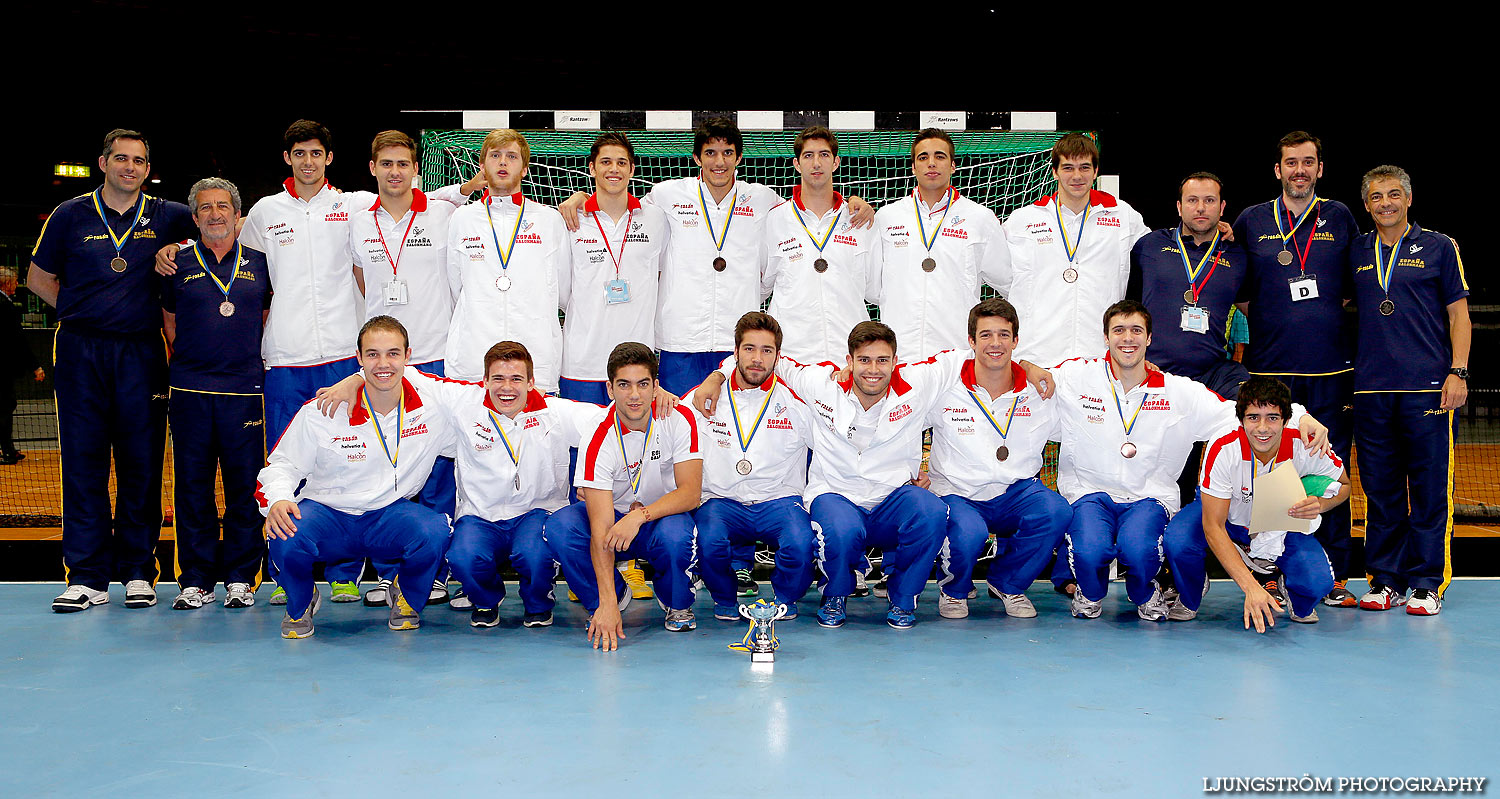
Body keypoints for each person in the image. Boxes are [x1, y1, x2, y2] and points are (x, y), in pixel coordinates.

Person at [694, 322, 1038, 629]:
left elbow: (987, 351)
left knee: (931, 510)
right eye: (864, 360)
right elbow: (760, 359)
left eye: (882, 360)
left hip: (892, 495)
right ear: (849, 361)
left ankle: (903, 598)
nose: (873, 369)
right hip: (836, 492)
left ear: (895, 362)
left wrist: (1030, 367)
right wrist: (717, 376)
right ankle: (835, 595)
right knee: (841, 529)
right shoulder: (821, 383)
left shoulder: (918, 384)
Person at [1048, 301, 1327, 621]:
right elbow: (1030, 382)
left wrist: (1301, 417)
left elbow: (1238, 415)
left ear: (1149, 338)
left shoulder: (1178, 392)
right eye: (1119, 331)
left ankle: (1145, 592)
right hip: (1088, 492)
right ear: (1106, 337)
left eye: (1137, 330)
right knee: (1089, 550)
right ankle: (1090, 591)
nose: (1128, 338)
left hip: (1147, 497)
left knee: (1138, 550)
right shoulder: (1076, 376)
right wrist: (1027, 367)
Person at [557, 118, 873, 395]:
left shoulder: (762, 200)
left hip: (738, 345)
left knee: (732, 436)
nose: (718, 161)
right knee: (680, 434)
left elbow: (807, 206)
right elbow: (619, 204)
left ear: (739, 157)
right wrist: (581, 198)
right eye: (709, 152)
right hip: (679, 343)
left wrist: (849, 204)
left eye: (727, 153)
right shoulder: (668, 195)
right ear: (697, 157)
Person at [315, 340, 617, 628]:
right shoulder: (464, 401)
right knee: (462, 556)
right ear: (484, 380)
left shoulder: (555, 412)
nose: (507, 388)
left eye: (516, 379)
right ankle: (486, 601)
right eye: (498, 378)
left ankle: (538, 603)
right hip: (480, 517)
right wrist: (355, 380)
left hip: (536, 513)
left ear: (531, 382)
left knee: (534, 553)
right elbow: (404, 372)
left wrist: (659, 399)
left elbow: (609, 419)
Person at [30, 129, 196, 612]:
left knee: (141, 463)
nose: (130, 167)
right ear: (102, 163)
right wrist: (82, 312)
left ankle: (139, 571)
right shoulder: (70, 214)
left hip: (142, 354)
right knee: (83, 462)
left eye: (139, 160)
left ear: (148, 168)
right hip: (81, 351)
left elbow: (224, 223)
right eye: (121, 158)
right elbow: (38, 278)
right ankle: (86, 576)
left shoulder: (169, 216)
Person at [999, 132, 1150, 598]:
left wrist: (1219, 234)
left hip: (1097, 365)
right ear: (1055, 170)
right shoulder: (1023, 221)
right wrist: (1016, 356)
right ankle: (1012, 570)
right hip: (1037, 364)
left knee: (1084, 466)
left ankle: (1072, 573)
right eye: (1068, 167)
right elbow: (997, 281)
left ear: (1095, 171)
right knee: (1020, 465)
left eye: (1085, 167)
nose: (1077, 175)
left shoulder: (1122, 217)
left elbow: (1166, 252)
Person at [257, 316, 454, 638]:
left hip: (389, 515)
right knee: (284, 530)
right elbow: (282, 465)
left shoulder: (431, 412)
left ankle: (406, 596)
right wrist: (279, 498)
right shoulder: (322, 410)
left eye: (393, 353)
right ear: (359, 359)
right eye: (373, 354)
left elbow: (479, 434)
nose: (383, 363)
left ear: (408, 356)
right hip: (328, 515)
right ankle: (302, 601)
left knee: (434, 530)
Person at [1230, 131, 1362, 608]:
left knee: (1330, 470)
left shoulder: (1341, 216)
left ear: (1320, 169)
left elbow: (1351, 287)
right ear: (1277, 170)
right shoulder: (1251, 220)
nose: (1299, 170)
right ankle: (1272, 570)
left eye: (1308, 162)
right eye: (1291, 162)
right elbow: (1241, 290)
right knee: (1273, 471)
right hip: (1271, 371)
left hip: (1330, 371)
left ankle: (1337, 570)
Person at [1349, 165, 1470, 616]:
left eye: (1394, 194)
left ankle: (1426, 582)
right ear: (1366, 204)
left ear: (1409, 199)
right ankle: (1384, 579)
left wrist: (1458, 372)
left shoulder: (1440, 247)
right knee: (1380, 491)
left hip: (1429, 390)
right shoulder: (1357, 250)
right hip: (1370, 391)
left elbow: (1459, 316)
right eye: (1377, 196)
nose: (1386, 203)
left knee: (1430, 489)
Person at [161, 179, 273, 611]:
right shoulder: (177, 263)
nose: (214, 214)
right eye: (205, 208)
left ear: (237, 214)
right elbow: (169, 323)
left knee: (245, 488)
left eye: (222, 206)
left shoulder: (261, 263)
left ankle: (242, 578)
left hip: (244, 391)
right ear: (194, 217)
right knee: (192, 489)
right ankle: (195, 580)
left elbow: (264, 317)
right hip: (189, 391)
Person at [546, 343, 703, 649]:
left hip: (661, 515)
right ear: (610, 389)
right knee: (560, 528)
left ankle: (675, 600)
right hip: (614, 519)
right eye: (624, 385)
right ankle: (611, 597)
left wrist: (639, 516)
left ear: (656, 387)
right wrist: (607, 602)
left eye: (643, 384)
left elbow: (690, 494)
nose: (634, 395)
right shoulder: (596, 435)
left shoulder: (680, 418)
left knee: (677, 535)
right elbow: (600, 529)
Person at [924, 299, 1071, 619]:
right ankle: (953, 589)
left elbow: (1083, 418)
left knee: (1055, 511)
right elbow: (904, 422)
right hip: (957, 491)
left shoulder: (1039, 390)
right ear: (971, 341)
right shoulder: (945, 386)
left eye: (1004, 335)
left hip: (1016, 492)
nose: (995, 344)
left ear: (1016, 341)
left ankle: (1008, 583)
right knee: (969, 532)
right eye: (986, 335)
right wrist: (910, 472)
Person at [1162, 376, 1347, 628]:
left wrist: (1321, 504)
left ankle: (1292, 590)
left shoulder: (1305, 444)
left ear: (1285, 420)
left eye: (1272, 417)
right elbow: (1212, 526)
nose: (1262, 428)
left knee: (1317, 583)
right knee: (1179, 539)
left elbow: (1345, 485)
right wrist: (1251, 588)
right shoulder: (1223, 446)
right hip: (1227, 517)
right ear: (1241, 420)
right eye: (1253, 418)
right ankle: (1190, 594)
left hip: (1280, 520)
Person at [1126, 172, 1251, 512]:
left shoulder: (1237, 257)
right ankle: (1158, 547)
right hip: (1157, 377)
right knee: (1160, 474)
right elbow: (1128, 306)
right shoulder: (1149, 247)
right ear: (1179, 206)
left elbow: (1255, 309)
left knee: (1255, 415)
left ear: (1222, 208)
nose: (1201, 208)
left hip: (1211, 376)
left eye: (1209, 201)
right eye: (1193, 200)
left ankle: (1241, 533)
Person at [689, 312, 817, 620]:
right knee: (708, 539)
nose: (757, 358)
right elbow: (668, 432)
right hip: (722, 501)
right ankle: (724, 598)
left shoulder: (796, 401)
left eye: (766, 350)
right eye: (749, 349)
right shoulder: (703, 398)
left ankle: (786, 596)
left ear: (777, 356)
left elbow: (835, 444)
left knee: (801, 542)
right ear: (734, 354)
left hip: (779, 501)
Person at [444, 129, 570, 391]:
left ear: (524, 169)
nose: (503, 162)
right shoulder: (462, 219)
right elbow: (455, 288)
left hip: (535, 356)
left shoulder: (548, 220)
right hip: (473, 358)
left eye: (512, 156)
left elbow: (564, 291)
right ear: (482, 165)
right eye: (495, 155)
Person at [868, 128, 1007, 360]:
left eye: (940, 156)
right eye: (923, 157)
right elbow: (872, 289)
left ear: (953, 165)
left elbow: (1007, 281)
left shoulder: (980, 218)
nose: (931, 163)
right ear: (913, 167)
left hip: (957, 355)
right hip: (899, 355)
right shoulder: (886, 217)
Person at [558, 132, 670, 405]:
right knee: (581, 446)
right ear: (592, 168)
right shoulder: (570, 220)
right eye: (606, 162)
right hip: (582, 363)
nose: (614, 169)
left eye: (621, 163)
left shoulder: (655, 218)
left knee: (634, 446)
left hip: (637, 366)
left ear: (632, 169)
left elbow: (662, 275)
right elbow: (561, 291)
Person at [763, 126, 875, 364]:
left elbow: (875, 289)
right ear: (796, 164)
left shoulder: (860, 219)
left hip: (849, 355)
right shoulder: (774, 219)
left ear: (835, 163)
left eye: (824, 155)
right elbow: (761, 285)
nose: (816, 163)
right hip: (792, 357)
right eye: (808, 155)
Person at [1, 267, 45, 465]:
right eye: (15, 281)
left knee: (5, 407)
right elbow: (17, 340)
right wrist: (35, 366)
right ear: (6, 283)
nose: (17, 284)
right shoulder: (5, 306)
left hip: (5, 368)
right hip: (2, 368)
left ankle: (8, 449)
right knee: (4, 408)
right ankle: (8, 452)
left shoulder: (6, 303)